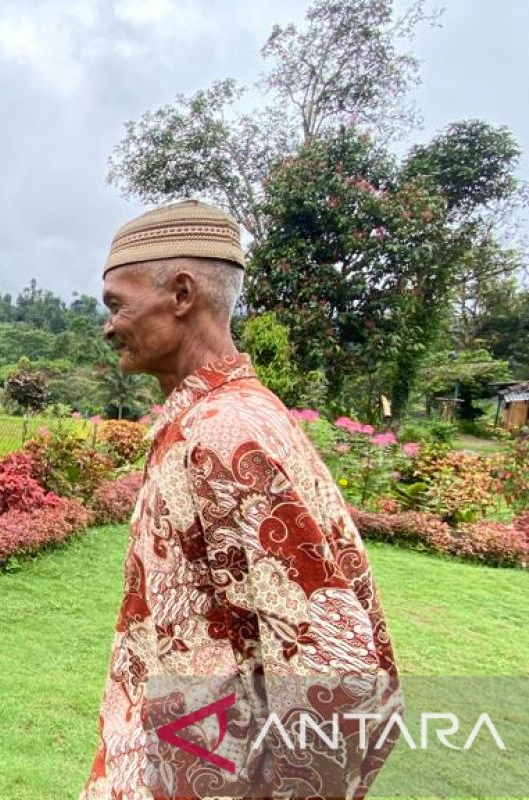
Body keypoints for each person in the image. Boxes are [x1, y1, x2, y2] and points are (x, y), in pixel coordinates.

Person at [80, 200, 399, 800]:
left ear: (181, 294)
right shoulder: (204, 419)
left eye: (116, 304)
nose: (108, 326)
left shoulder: (228, 433)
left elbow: (339, 671)